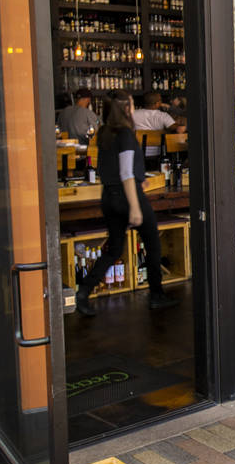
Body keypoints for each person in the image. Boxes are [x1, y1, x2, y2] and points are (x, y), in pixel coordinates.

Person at [75, 90, 179, 316]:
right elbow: (126, 173)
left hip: (109, 196)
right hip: (127, 197)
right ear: (125, 109)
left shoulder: (104, 134)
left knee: (114, 249)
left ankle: (83, 291)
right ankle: (156, 294)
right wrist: (134, 206)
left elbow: (110, 169)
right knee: (152, 244)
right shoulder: (125, 135)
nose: (133, 109)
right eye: (131, 105)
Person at [132, 92, 185, 158]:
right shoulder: (163, 116)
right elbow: (177, 129)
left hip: (137, 153)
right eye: (160, 100)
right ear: (157, 103)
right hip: (158, 154)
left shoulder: (133, 114)